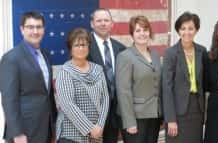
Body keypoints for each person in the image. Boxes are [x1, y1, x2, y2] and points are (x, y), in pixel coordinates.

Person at [0, 11, 57, 143]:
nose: (35, 31)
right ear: (22, 29)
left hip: (46, 128)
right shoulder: (11, 58)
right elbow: (9, 100)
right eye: (30, 27)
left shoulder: (46, 54)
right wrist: (17, 133)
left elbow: (47, 94)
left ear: (44, 29)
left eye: (39, 27)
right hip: (24, 131)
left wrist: (53, 125)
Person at [55, 28, 109, 143]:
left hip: (96, 135)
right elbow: (68, 105)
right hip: (71, 135)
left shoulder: (98, 69)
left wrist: (100, 125)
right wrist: (90, 128)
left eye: (84, 44)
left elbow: (105, 99)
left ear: (89, 47)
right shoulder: (65, 72)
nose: (81, 48)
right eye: (77, 45)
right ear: (70, 49)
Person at [116, 15, 162, 143]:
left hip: (154, 116)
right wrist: (130, 122)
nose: (142, 33)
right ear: (132, 34)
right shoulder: (125, 56)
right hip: (135, 118)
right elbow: (123, 91)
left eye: (145, 30)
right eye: (138, 30)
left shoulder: (155, 56)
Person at [162, 11, 206, 143]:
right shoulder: (170, 53)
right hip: (177, 111)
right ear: (178, 30)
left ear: (196, 30)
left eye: (191, 28)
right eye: (183, 28)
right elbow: (167, 87)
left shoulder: (202, 51)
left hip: (196, 109)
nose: (187, 32)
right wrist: (170, 119)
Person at [88, 8, 126, 143]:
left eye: (106, 20)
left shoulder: (120, 48)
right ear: (92, 24)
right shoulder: (83, 46)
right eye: (99, 20)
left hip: (115, 114)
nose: (103, 23)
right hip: (92, 114)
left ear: (112, 24)